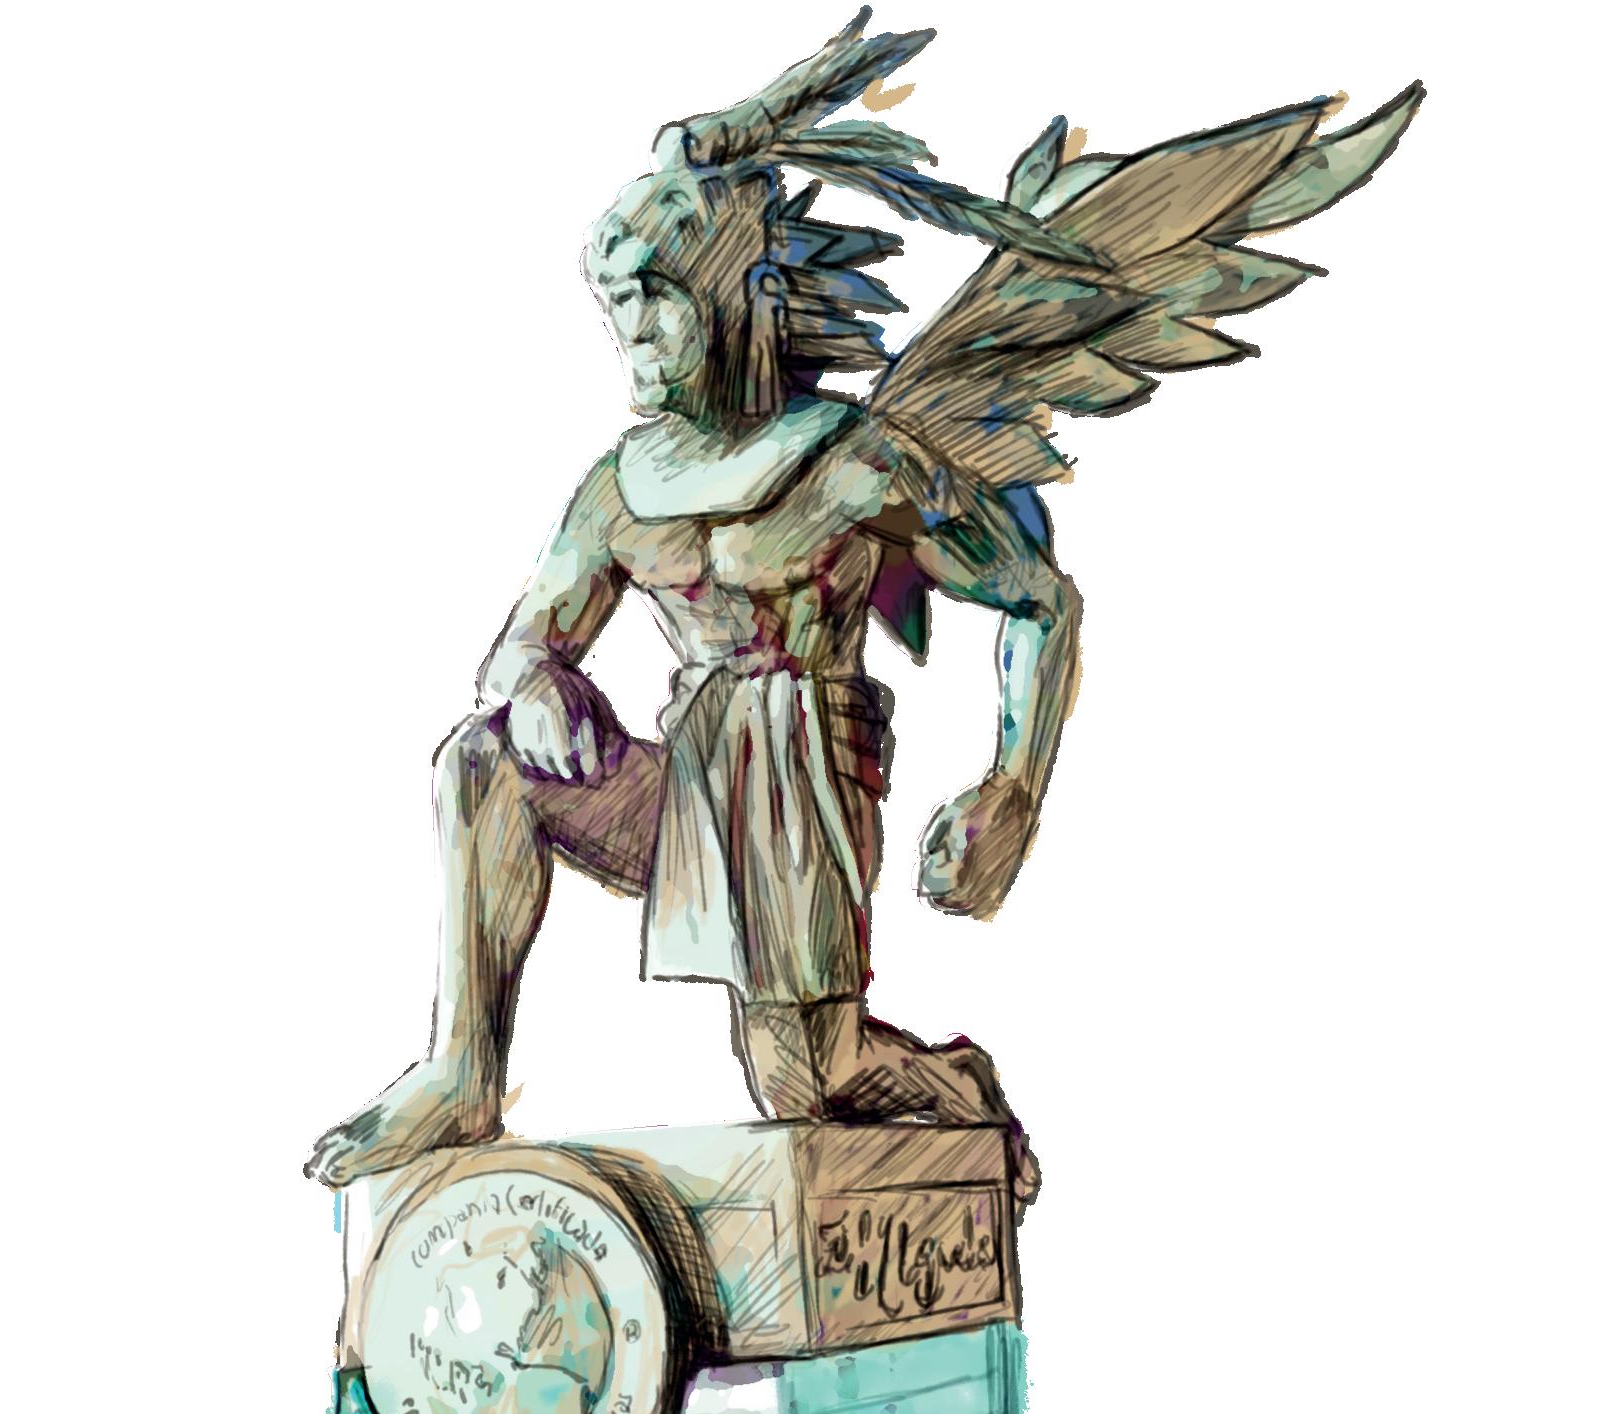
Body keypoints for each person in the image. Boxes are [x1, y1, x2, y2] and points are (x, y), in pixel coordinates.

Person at [303, 13, 1419, 1195]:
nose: (634, 333)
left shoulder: (855, 461)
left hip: (803, 780)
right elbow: (522, 643)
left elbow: (1038, 599)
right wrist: (537, 685)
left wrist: (1012, 787)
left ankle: (959, 1088)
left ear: (741, 293)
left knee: (808, 1079)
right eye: (618, 306)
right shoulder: (620, 486)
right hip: (688, 783)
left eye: (660, 300)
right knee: (481, 762)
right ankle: (462, 1069)